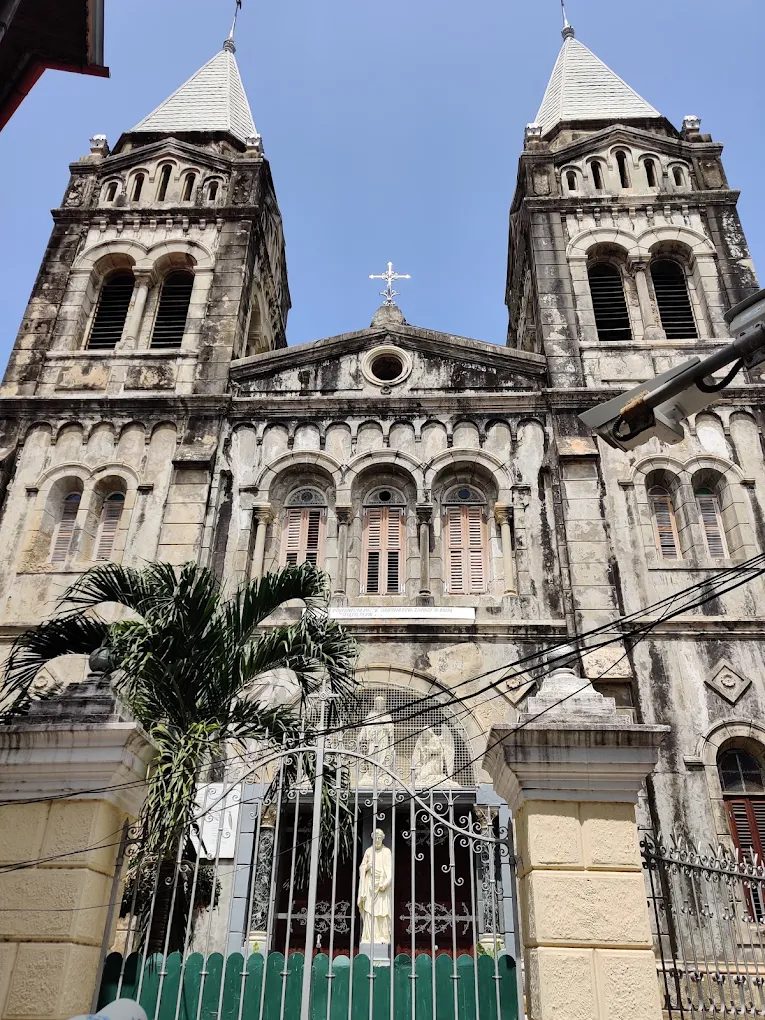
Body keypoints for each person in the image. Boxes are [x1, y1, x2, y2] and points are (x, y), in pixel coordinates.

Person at [357, 828, 393, 944]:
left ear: (382, 838)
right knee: (369, 912)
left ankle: (382, 936)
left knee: (382, 912)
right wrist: (366, 867)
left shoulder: (387, 852)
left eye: (379, 838)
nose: (377, 840)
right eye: (375, 838)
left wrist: (385, 883)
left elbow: (390, 871)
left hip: (382, 886)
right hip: (369, 885)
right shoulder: (369, 851)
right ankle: (369, 937)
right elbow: (362, 867)